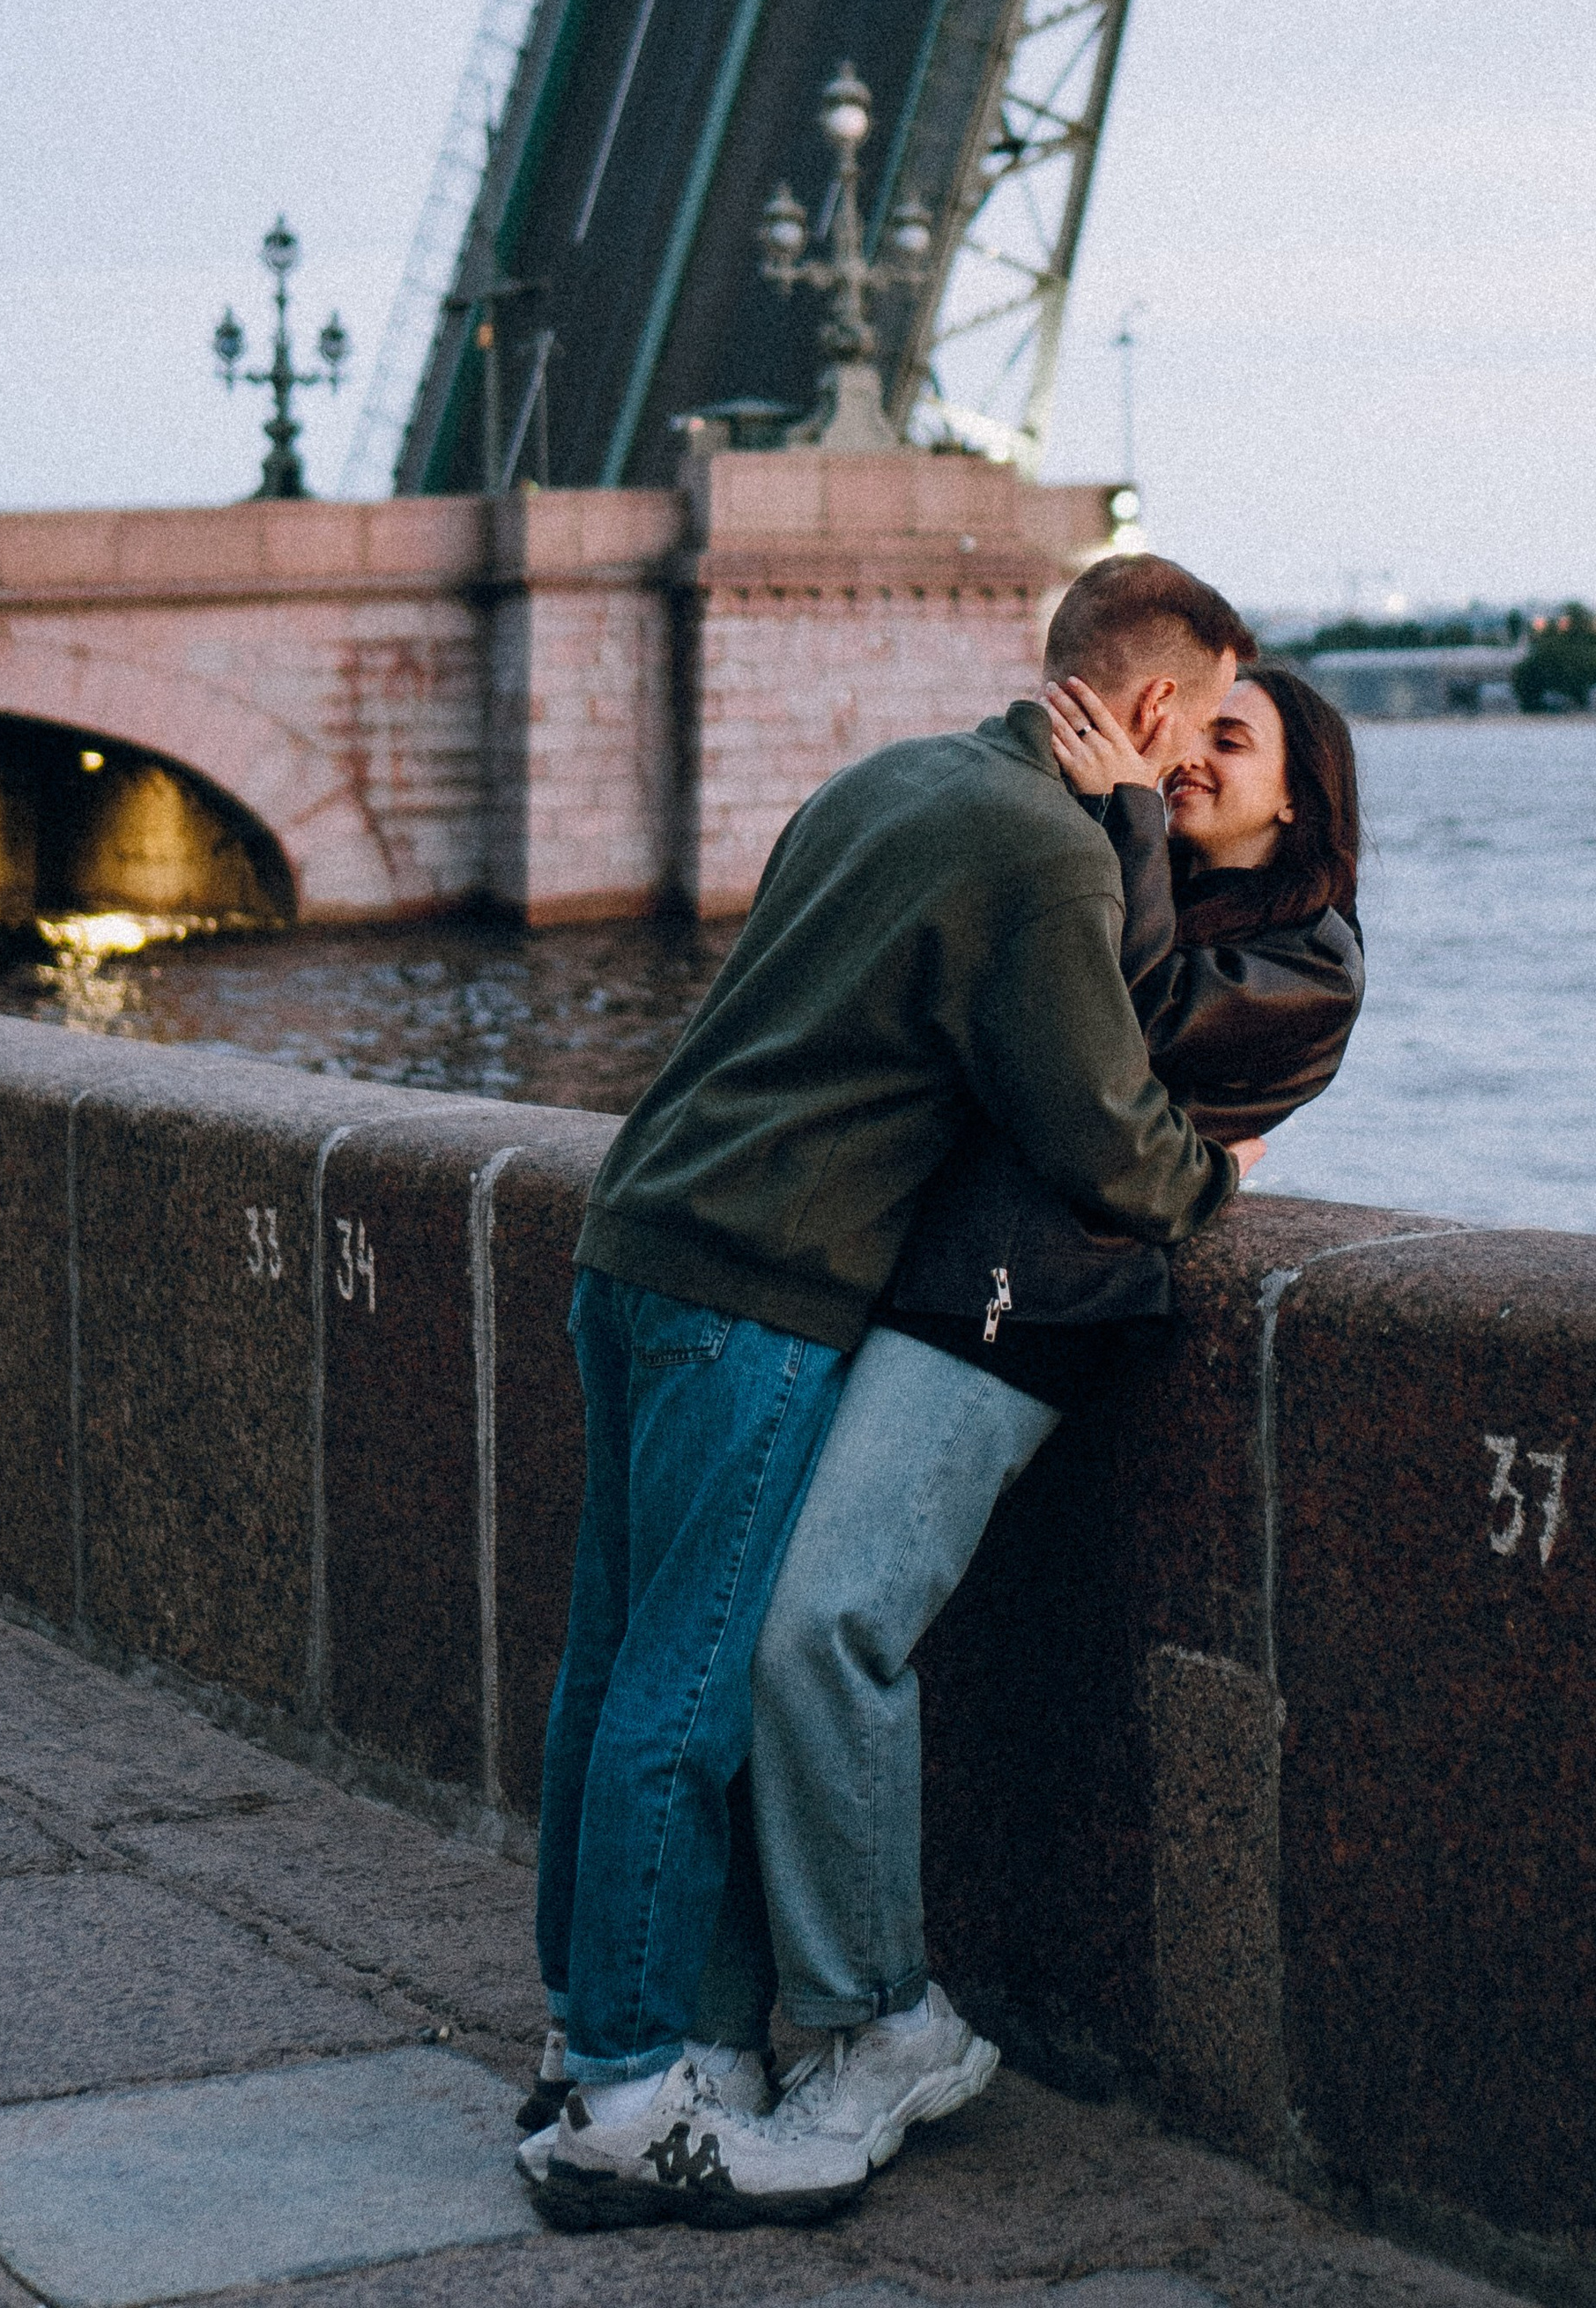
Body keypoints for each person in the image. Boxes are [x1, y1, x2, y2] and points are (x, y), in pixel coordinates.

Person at [521, 553, 1264, 2233]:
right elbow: (1099, 1130)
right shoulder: (1041, 853)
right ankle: (635, 2093)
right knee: (689, 1694)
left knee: (603, 1664)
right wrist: (1210, 1188)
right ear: (1150, 708)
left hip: (631, 1241)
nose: (1205, 749)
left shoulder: (886, 781)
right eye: (1206, 718)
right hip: (759, 1285)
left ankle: (585, 2035)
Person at [738, 659, 1364, 2162]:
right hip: (927, 1278)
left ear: (1304, 791)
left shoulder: (1312, 964)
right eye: (1187, 731)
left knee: (822, 1627)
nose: (1196, 758)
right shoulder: (1121, 861)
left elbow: (1116, 1045)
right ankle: (801, 2006)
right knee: (779, 1626)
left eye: (1235, 742)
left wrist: (1130, 817)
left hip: (1026, 1311)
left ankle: (883, 2017)